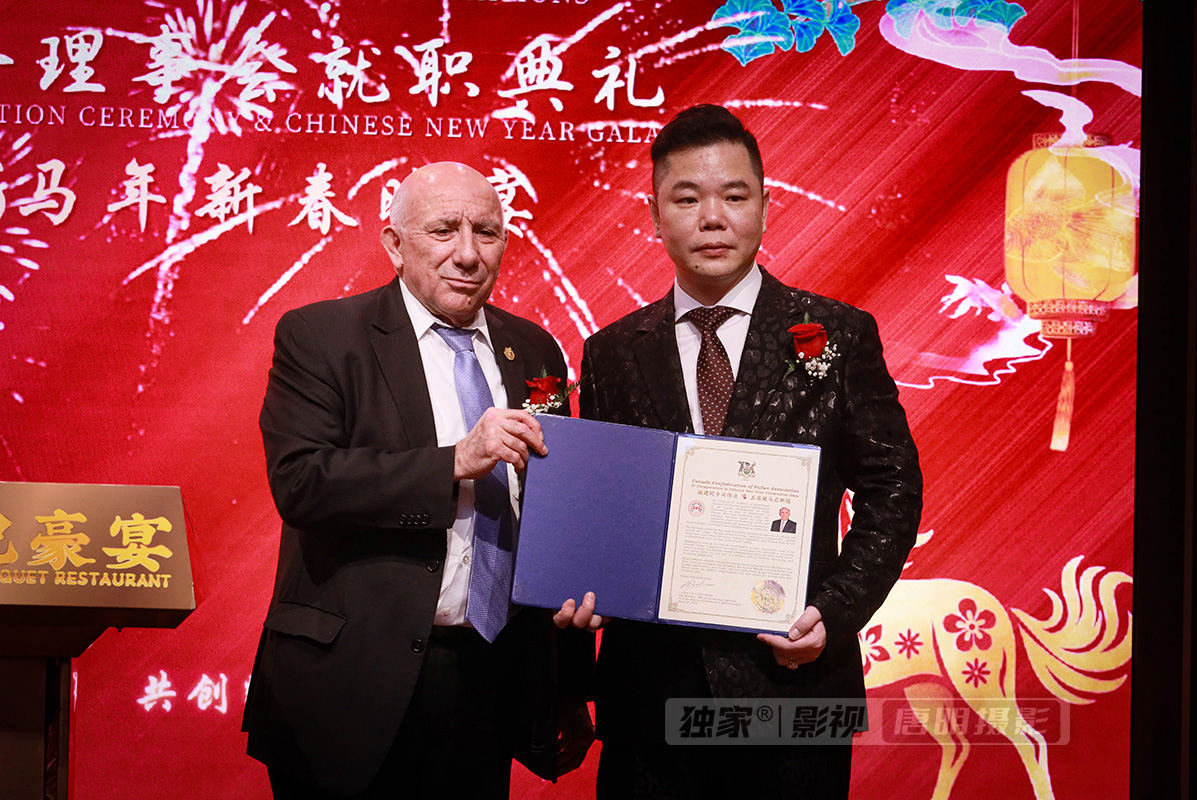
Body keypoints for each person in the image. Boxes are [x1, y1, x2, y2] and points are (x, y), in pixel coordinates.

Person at [562, 105, 923, 799]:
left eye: (734, 196)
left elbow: (893, 488)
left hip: (791, 681)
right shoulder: (612, 351)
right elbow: (604, 504)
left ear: (764, 206)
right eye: (686, 199)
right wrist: (580, 595)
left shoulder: (839, 333)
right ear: (654, 214)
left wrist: (834, 612)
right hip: (651, 693)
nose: (712, 219)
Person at [243, 162, 593, 799]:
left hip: (488, 678)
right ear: (394, 244)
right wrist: (452, 461)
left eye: (486, 232)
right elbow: (301, 482)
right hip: (349, 684)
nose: (467, 253)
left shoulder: (534, 349)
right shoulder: (322, 336)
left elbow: (556, 512)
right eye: (443, 230)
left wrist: (569, 685)